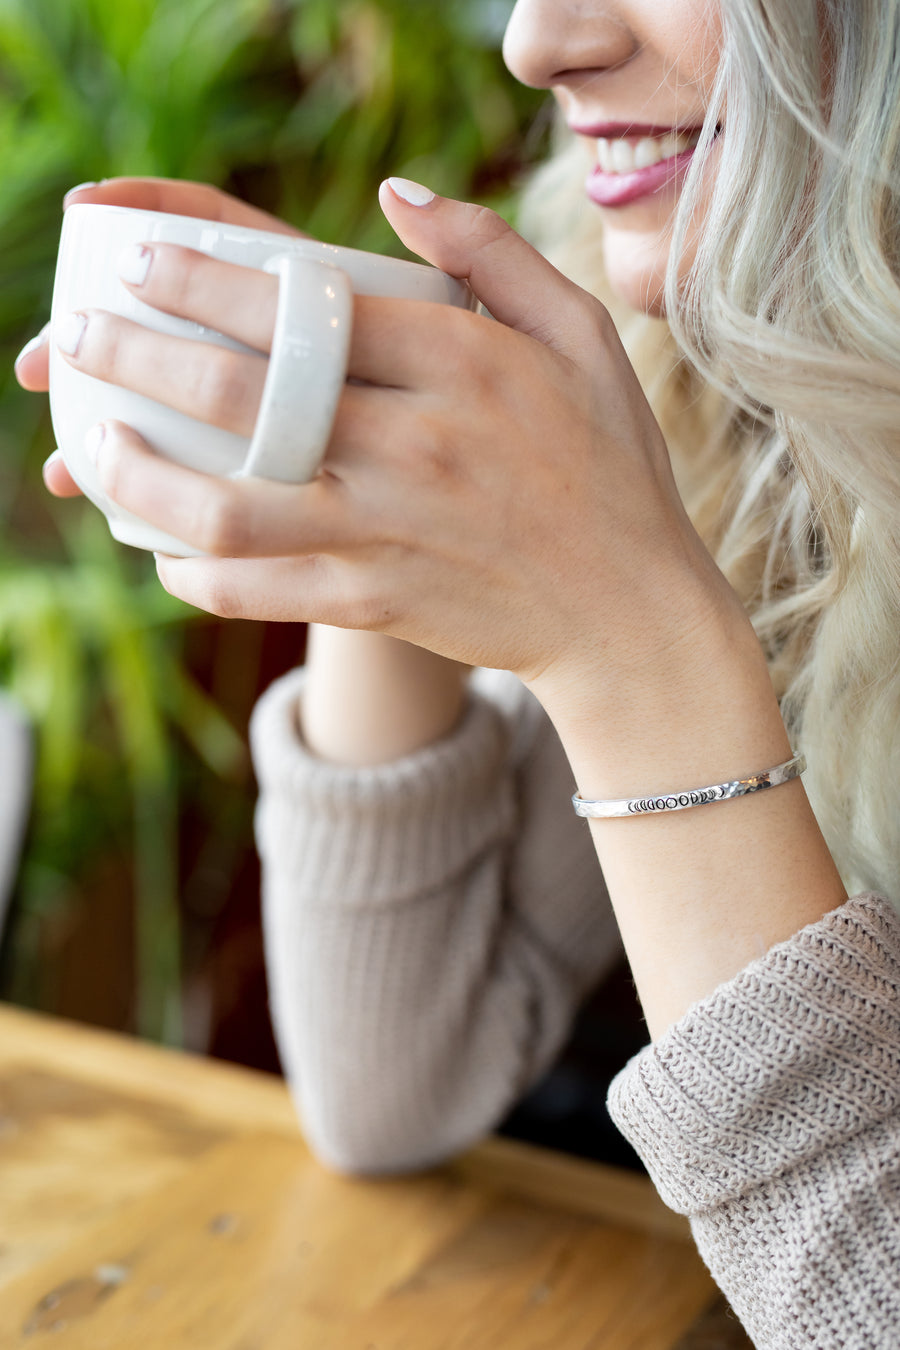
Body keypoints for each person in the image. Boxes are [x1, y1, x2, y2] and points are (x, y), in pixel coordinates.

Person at [15, 0, 900, 1344]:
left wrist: (638, 647)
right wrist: (354, 420)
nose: (537, 42)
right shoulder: (696, 396)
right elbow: (392, 1089)